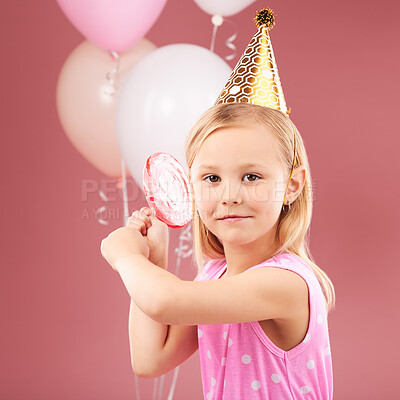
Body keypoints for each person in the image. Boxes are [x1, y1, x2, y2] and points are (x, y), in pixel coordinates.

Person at [100, 8, 335, 399]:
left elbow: (163, 300)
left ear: (292, 186)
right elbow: (149, 360)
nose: (229, 195)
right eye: (211, 178)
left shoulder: (286, 284)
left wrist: (125, 256)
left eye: (252, 176)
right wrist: (156, 258)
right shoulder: (214, 278)